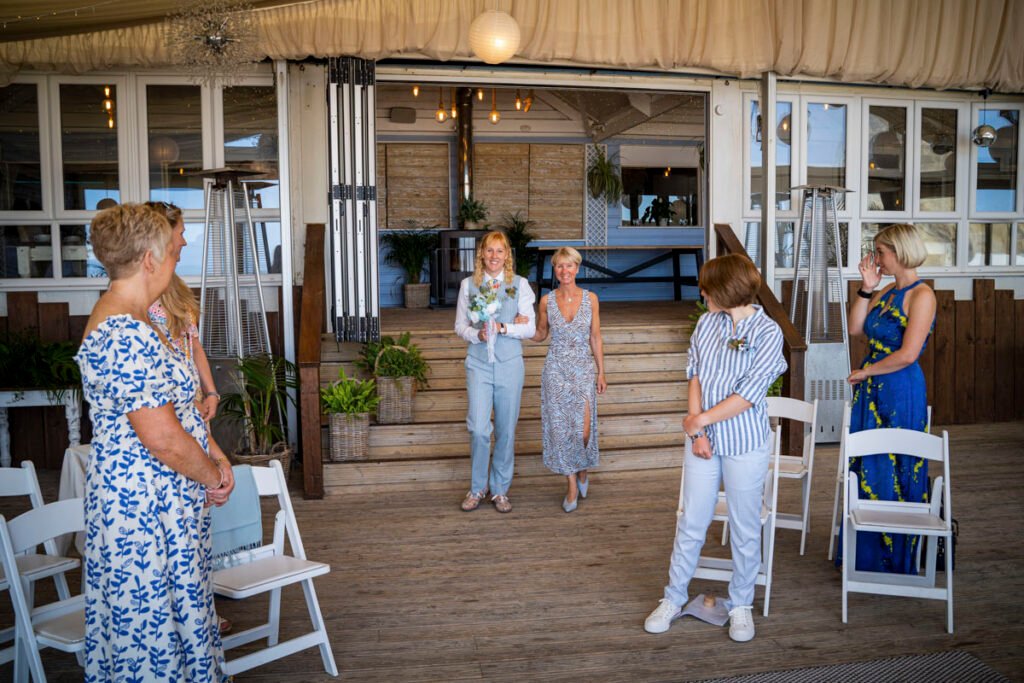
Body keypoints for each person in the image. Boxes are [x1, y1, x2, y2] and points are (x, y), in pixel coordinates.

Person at [75, 203, 234, 682]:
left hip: (165, 504)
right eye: (171, 252)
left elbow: (176, 414)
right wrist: (213, 478)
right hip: (143, 513)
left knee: (177, 616)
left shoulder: (138, 319)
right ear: (148, 258)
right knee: (152, 632)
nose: (175, 260)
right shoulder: (124, 332)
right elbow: (162, 437)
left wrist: (210, 456)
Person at [644, 254, 786, 643]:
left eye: (707, 287)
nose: (702, 292)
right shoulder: (707, 323)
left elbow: (749, 394)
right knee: (692, 522)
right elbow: (695, 375)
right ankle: (673, 597)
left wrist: (702, 420)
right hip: (703, 441)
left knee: (743, 525)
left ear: (727, 289)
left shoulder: (768, 332)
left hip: (744, 441)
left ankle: (741, 604)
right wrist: (697, 431)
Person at [840, 223, 936, 574]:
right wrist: (866, 289)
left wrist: (867, 371)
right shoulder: (885, 292)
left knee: (894, 463)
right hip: (872, 387)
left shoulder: (921, 294)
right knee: (869, 463)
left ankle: (894, 558)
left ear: (899, 252)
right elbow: (854, 328)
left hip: (899, 388)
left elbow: (909, 354)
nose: (876, 258)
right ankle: (865, 556)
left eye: (880, 252)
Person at [454, 230, 536, 513]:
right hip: (478, 364)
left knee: (506, 430)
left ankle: (499, 489)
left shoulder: (520, 285)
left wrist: (504, 327)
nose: (494, 256)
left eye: (499, 251)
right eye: (489, 250)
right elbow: (460, 327)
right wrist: (476, 335)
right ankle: (477, 487)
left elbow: (530, 328)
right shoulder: (468, 286)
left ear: (507, 255)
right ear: (482, 254)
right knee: (478, 428)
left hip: (510, 364)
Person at [529, 247, 606, 512]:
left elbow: (595, 336)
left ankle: (583, 470)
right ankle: (571, 483)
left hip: (583, 370)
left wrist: (601, 371)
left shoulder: (591, 299)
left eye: (569, 266)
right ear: (555, 269)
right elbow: (540, 334)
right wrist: (518, 328)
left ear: (577, 268)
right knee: (561, 431)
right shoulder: (546, 301)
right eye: (560, 266)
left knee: (583, 431)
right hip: (556, 371)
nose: (565, 271)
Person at [145, 201, 220, 422]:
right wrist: (186, 401)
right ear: (164, 238)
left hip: (194, 399)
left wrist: (211, 393)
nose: (184, 241)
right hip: (166, 406)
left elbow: (193, 344)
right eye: (181, 233)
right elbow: (155, 361)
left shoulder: (176, 286)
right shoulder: (140, 291)